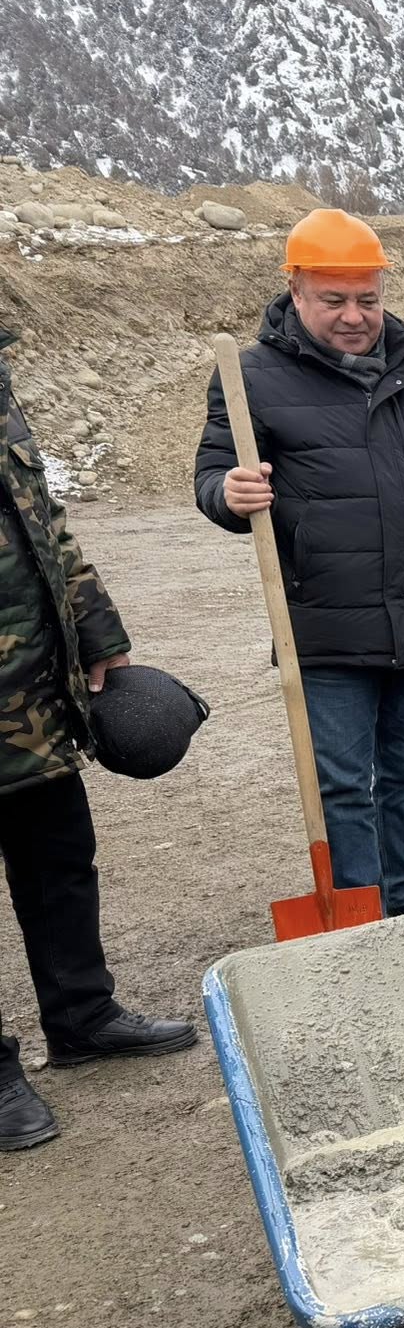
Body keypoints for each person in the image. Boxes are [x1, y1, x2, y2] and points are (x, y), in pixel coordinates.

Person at [196, 209, 404, 919]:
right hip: (325, 615)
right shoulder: (251, 379)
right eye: (333, 299)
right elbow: (214, 473)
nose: (353, 315)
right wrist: (229, 493)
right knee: (339, 779)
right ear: (297, 293)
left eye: (366, 298)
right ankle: (360, 903)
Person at [2, 329, 196, 1150]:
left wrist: (97, 627)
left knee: (58, 858)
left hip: (28, 687)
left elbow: (44, 520)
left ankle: (82, 1016)